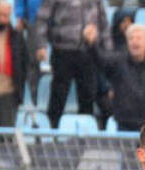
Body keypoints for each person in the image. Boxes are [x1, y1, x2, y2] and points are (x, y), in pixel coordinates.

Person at [33, 0, 109, 130]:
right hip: (62, 51)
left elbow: (103, 22)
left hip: (89, 51)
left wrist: (107, 48)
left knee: (88, 97)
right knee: (58, 96)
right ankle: (52, 132)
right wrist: (41, 45)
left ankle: (85, 133)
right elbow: (42, 19)